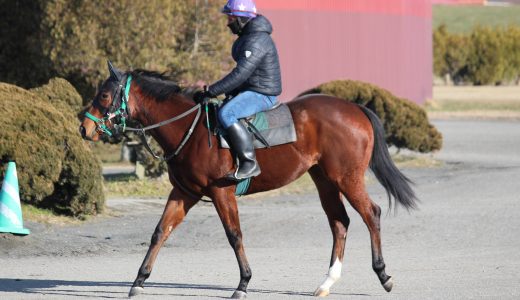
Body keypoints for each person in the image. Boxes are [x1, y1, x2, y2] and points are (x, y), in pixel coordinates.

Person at [194, 0, 282, 181]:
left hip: (263, 94)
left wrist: (211, 91)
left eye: (231, 18)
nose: (228, 23)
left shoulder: (257, 40)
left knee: (227, 113)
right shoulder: (248, 36)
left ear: (241, 19)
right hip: (252, 89)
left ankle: (249, 163)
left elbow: (241, 74)